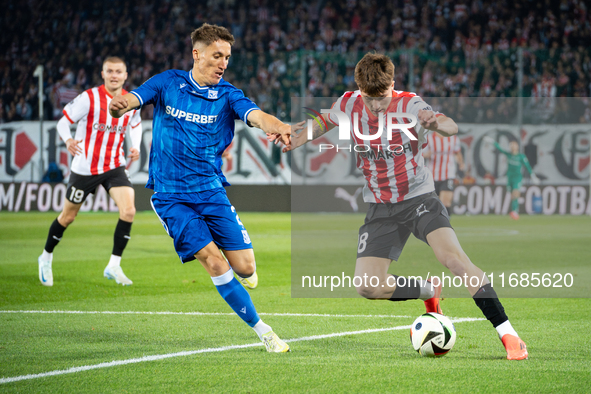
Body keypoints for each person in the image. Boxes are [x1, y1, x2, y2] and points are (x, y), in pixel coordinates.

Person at [279, 53, 528, 360]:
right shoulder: (348, 104)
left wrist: (435, 122)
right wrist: (296, 137)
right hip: (380, 206)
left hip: (418, 199)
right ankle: (428, 291)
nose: (376, 106)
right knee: (367, 287)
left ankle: (509, 335)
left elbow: (451, 127)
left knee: (454, 260)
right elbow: (323, 120)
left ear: (392, 86)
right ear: (359, 90)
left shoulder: (410, 104)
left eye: (382, 98)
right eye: (370, 99)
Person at [109, 23, 300, 353]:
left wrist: (279, 126)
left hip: (211, 191)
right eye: (216, 56)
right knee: (214, 262)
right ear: (197, 54)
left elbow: (255, 116)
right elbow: (134, 98)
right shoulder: (169, 83)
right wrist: (122, 104)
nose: (223, 63)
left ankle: (244, 275)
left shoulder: (228, 95)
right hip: (171, 197)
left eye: (227, 57)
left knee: (246, 267)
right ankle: (264, 331)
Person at [38, 57, 142, 287]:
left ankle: (113, 265)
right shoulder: (89, 98)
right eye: (110, 71)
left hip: (115, 165)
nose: (114, 75)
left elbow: (135, 123)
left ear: (125, 75)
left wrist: (135, 144)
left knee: (129, 211)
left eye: (119, 72)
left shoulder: (130, 100)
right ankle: (45, 256)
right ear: (103, 74)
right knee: (68, 217)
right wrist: (68, 140)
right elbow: (63, 122)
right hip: (85, 167)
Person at [485, 137, 539, 220]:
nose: (512, 146)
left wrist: (533, 176)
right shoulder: (508, 155)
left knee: (515, 193)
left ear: (517, 147)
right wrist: (492, 141)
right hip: (510, 178)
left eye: (514, 145)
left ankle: (515, 211)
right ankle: (514, 210)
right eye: (511, 145)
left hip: (517, 178)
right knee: (512, 196)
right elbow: (499, 148)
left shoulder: (521, 156)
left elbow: (527, 166)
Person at [423, 132, 464, 218]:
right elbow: (421, 154)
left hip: (448, 174)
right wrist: (427, 154)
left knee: (445, 202)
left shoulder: (453, 138)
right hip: (432, 176)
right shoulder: (428, 138)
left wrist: (461, 163)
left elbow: (457, 152)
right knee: (432, 203)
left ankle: (445, 225)